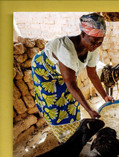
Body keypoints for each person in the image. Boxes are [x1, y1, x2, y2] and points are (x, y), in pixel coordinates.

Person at [31, 13, 113, 143]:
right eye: (93, 41)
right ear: (82, 35)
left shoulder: (92, 49)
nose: (96, 45)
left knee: (72, 103)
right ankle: (63, 139)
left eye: (100, 42)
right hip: (45, 74)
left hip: (65, 75)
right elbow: (71, 85)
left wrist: (104, 96)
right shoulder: (66, 49)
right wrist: (90, 110)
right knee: (54, 106)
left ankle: (74, 132)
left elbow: (92, 74)